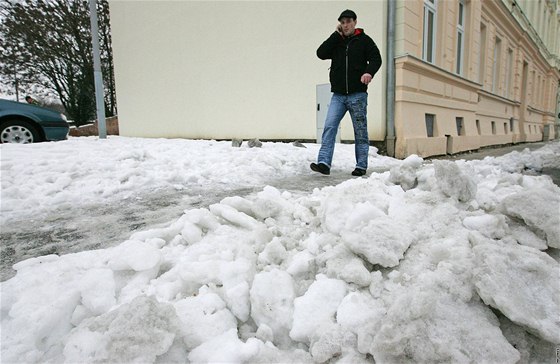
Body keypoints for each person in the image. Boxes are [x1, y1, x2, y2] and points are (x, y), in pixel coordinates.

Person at [311, 9, 382, 176]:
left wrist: (368, 72)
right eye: (342, 22)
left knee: (360, 130)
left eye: (348, 21)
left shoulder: (364, 41)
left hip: (357, 94)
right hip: (338, 95)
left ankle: (361, 165)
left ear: (355, 22)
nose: (345, 25)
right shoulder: (337, 41)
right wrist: (335, 35)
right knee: (329, 126)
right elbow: (320, 53)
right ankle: (323, 163)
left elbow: (376, 58)